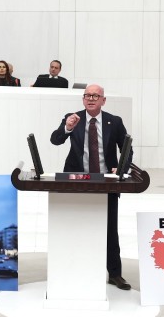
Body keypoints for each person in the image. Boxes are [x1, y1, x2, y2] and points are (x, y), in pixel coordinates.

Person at [50, 83, 133, 291]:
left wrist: (121, 168)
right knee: (75, 226)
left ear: (103, 100)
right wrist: (67, 128)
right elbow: (55, 140)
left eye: (96, 96)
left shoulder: (114, 121)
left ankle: (115, 274)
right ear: (83, 99)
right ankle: (72, 269)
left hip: (106, 182)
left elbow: (127, 149)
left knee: (110, 229)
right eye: (87, 95)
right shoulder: (73, 118)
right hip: (77, 181)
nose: (91, 99)